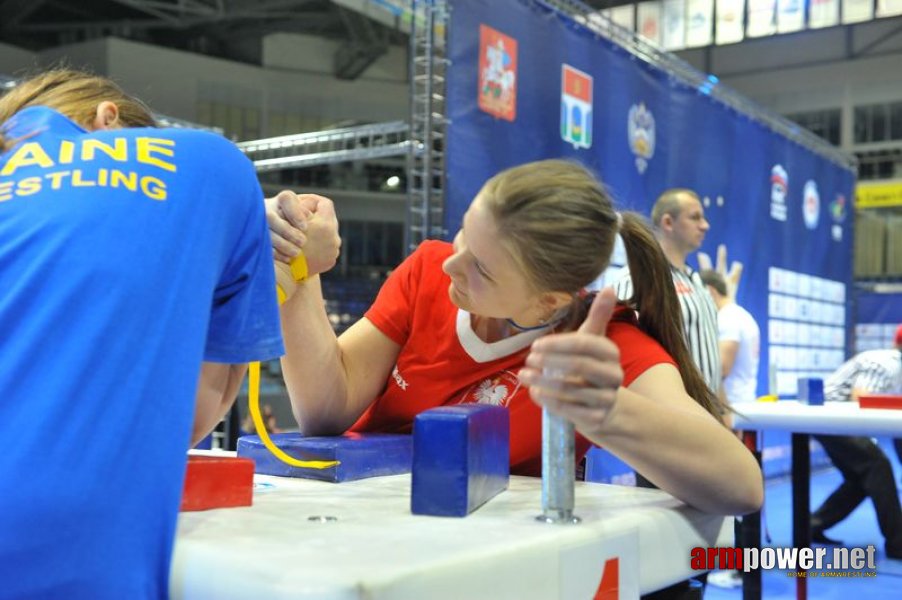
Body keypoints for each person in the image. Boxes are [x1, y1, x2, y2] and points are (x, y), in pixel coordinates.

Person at [0, 68, 337, 598]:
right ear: (109, 122)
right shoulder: (204, 159)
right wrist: (274, 249)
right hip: (56, 553)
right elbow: (193, 413)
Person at [270, 159, 763, 516]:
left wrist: (606, 409)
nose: (449, 263)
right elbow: (325, 411)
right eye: (464, 235)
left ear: (549, 302)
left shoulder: (602, 346)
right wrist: (298, 266)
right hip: (359, 527)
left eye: (480, 268)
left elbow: (741, 488)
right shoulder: (426, 273)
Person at [612, 189, 722, 394]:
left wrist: (724, 409)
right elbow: (630, 357)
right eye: (695, 217)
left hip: (709, 413)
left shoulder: (696, 279)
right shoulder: (637, 278)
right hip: (673, 415)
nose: (705, 225)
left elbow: (711, 355)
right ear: (668, 223)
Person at [811, 328, 902, 559]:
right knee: (877, 466)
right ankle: (898, 543)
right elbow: (860, 401)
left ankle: (811, 526)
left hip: (834, 420)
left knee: (860, 480)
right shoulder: (887, 364)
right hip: (832, 418)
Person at [699, 270, 761, 411]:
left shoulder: (727, 318)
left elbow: (721, 369)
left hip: (731, 407)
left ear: (710, 291)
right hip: (742, 403)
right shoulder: (742, 316)